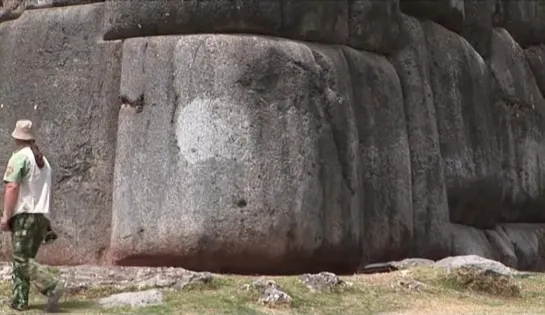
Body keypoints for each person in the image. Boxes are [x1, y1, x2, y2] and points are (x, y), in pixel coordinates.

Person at [0, 119, 64, 312]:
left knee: (21, 260)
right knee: (24, 258)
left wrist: (5, 216)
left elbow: (12, 186)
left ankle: (52, 285)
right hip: (42, 217)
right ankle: (19, 300)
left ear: (16, 137)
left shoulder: (20, 157)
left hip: (25, 215)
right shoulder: (44, 160)